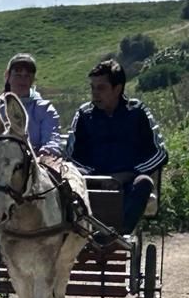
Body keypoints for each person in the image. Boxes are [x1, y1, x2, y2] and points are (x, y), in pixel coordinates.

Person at [65, 57, 167, 246]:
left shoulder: (137, 112)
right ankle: (80, 233)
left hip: (127, 183)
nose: (95, 93)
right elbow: (71, 156)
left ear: (117, 89)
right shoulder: (84, 115)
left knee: (144, 183)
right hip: (90, 183)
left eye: (101, 88)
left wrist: (128, 174)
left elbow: (159, 153)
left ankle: (117, 235)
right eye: (93, 88)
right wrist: (95, 177)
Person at [0, 53, 64, 158]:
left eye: (27, 76)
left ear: (33, 79)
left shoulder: (45, 109)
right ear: (7, 76)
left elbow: (52, 140)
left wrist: (45, 153)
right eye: (18, 75)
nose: (23, 80)